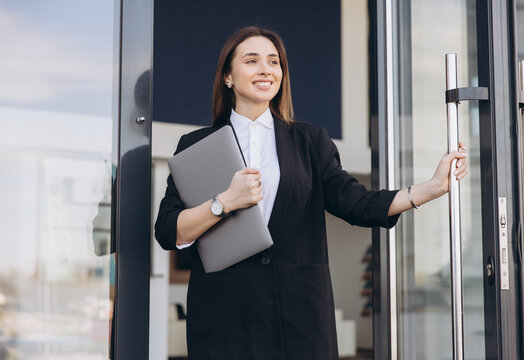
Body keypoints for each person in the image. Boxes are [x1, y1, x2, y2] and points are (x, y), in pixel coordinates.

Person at [154, 26, 467, 360]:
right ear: (228, 77)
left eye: (274, 62)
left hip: (298, 318)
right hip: (225, 318)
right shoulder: (196, 146)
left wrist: (431, 188)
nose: (266, 69)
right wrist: (223, 203)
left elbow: (355, 202)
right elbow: (167, 231)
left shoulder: (310, 141)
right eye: (252, 60)